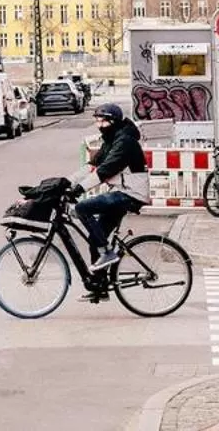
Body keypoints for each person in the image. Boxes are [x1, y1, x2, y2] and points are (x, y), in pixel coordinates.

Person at [73, 102, 149, 293]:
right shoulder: (112, 139)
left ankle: (107, 253)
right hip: (121, 191)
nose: (100, 126)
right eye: (97, 121)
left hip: (131, 194)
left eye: (103, 122)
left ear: (113, 122)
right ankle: (100, 286)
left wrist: (78, 190)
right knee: (95, 239)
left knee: (82, 208)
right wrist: (66, 182)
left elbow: (106, 170)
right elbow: (92, 165)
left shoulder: (125, 141)